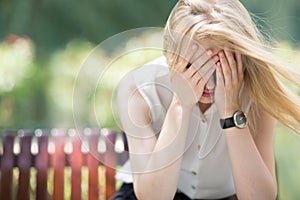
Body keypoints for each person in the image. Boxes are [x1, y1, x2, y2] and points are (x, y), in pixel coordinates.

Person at [111, 0, 300, 199]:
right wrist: (180, 105)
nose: (209, 85)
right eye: (196, 68)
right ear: (171, 57)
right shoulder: (138, 90)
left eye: (220, 67)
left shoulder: (257, 91)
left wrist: (231, 112)